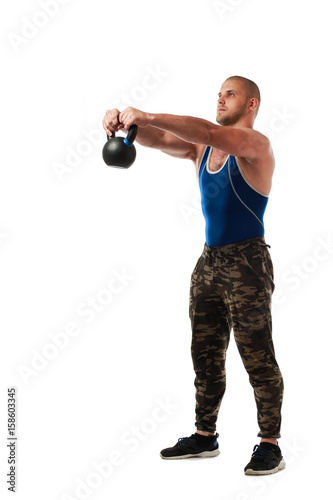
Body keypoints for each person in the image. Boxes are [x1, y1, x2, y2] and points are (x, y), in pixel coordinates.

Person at [102, 75, 285, 475]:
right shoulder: (202, 148)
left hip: (248, 263)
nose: (221, 99)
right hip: (209, 263)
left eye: (230, 94)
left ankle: (270, 443)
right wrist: (128, 127)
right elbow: (159, 139)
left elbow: (206, 130)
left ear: (251, 104)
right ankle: (205, 436)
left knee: (257, 356)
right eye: (219, 93)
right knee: (204, 353)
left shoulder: (255, 146)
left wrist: (148, 114)